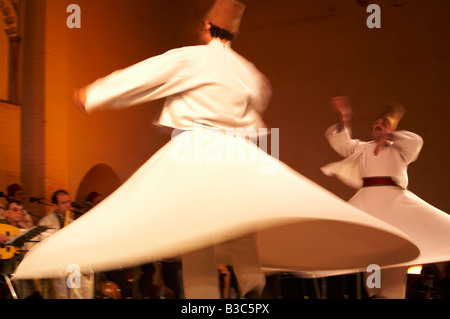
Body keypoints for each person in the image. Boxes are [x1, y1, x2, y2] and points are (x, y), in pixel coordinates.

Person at [14, 0, 421, 300]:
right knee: (238, 224)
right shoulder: (249, 72)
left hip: (197, 147)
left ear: (208, 25)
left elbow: (149, 76)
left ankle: (205, 300)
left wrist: (95, 93)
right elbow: (258, 103)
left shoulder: (192, 58)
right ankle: (252, 287)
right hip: (237, 152)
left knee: (197, 232)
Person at [321, 95, 450, 298]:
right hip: (368, 202)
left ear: (391, 129)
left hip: (394, 202)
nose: (378, 124)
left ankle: (391, 294)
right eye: (376, 122)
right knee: (373, 252)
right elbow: (342, 144)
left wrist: (392, 137)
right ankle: (374, 293)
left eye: (383, 123)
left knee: (396, 252)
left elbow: (416, 142)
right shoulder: (362, 148)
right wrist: (344, 115)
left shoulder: (400, 150)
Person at [37, 190, 94, 299]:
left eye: (69, 202)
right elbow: (45, 245)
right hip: (55, 262)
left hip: (71, 262)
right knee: (62, 278)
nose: (68, 205)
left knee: (85, 272)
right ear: (56, 206)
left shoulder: (72, 222)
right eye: (63, 203)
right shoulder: (46, 222)